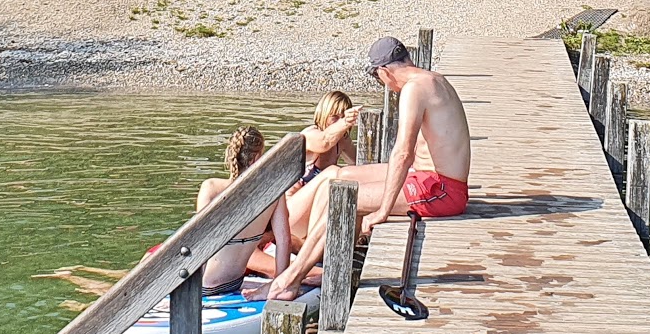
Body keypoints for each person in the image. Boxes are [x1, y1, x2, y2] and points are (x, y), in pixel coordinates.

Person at [261, 38, 470, 302]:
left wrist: (383, 209)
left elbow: (403, 152)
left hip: (441, 191)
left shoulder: (414, 90)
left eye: (378, 78)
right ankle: (319, 259)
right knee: (339, 178)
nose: (384, 85)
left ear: (384, 71)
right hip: (430, 178)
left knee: (348, 198)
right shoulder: (432, 79)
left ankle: (289, 282)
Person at [194, 127, 291, 300]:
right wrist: (278, 283)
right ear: (257, 158)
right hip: (234, 283)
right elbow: (284, 240)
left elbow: (198, 244)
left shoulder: (212, 188)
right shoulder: (275, 192)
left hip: (205, 286)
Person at [300, 93, 358, 184]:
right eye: (335, 117)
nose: (339, 121)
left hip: (325, 189)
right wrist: (345, 122)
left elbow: (357, 161)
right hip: (301, 192)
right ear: (324, 114)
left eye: (343, 117)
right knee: (334, 172)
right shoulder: (310, 134)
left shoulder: (342, 139)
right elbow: (324, 143)